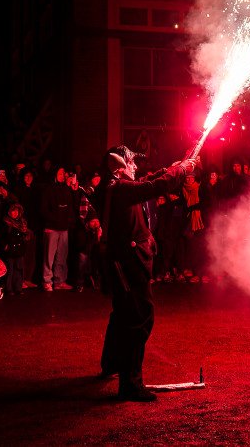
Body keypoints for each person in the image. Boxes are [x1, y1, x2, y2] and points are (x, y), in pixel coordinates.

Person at [94, 145, 196, 401]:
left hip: (127, 262)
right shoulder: (118, 189)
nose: (136, 167)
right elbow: (150, 188)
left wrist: (172, 168)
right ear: (119, 167)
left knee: (122, 314)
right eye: (131, 163)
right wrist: (181, 171)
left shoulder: (116, 187)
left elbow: (145, 182)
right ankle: (130, 384)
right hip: (128, 264)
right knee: (139, 318)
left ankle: (111, 364)